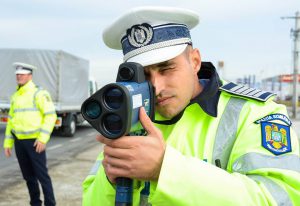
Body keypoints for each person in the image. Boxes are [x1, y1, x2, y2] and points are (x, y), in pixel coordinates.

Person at [82, 6, 300, 205]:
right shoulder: (132, 118)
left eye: (166, 68)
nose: (156, 87)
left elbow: (282, 198)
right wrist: (111, 181)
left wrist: (166, 169)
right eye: (144, 75)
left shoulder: (255, 113)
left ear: (194, 61)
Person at [3, 62, 57, 206]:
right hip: (19, 142)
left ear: (30, 75)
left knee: (42, 176)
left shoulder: (39, 94)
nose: (18, 76)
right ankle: (35, 203)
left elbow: (51, 116)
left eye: (22, 73)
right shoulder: (16, 96)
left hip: (34, 142)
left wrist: (42, 139)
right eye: (17, 74)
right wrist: (8, 143)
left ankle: (50, 204)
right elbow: (11, 121)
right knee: (28, 177)